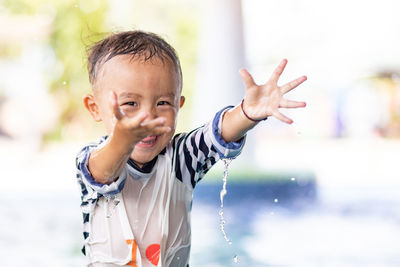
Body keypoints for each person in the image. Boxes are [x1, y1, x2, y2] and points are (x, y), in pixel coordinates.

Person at [75, 30, 307, 267]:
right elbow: (102, 173)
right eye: (130, 103)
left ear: (178, 105)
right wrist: (122, 140)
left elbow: (218, 133)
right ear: (94, 108)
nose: (147, 116)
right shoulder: (93, 160)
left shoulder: (181, 158)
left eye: (163, 103)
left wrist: (248, 113)